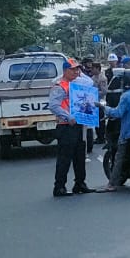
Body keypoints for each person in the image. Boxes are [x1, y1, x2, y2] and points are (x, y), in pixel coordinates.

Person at [47, 59, 91, 197]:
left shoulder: (77, 84)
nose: (76, 72)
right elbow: (54, 106)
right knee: (65, 158)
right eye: (73, 69)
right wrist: (68, 117)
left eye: (77, 69)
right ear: (65, 70)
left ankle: (80, 184)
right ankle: (59, 187)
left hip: (78, 125)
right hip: (66, 126)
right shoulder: (59, 86)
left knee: (80, 156)